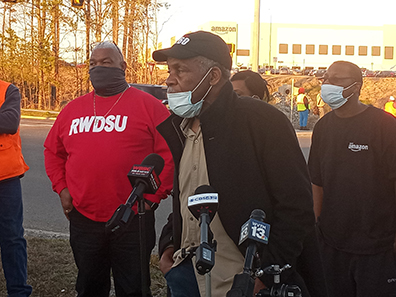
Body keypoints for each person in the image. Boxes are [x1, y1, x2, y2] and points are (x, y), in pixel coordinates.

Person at [152, 30, 317, 297]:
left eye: (180, 70)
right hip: (184, 273)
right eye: (170, 70)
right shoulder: (181, 126)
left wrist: (264, 275)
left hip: (239, 282)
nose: (169, 81)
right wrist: (168, 247)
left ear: (213, 76)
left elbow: (296, 208)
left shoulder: (262, 122)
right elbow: (184, 197)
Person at [44, 41, 174, 297]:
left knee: (134, 287)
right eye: (93, 64)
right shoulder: (72, 110)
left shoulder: (150, 107)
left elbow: (169, 155)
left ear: (122, 67)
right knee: (89, 286)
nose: (98, 68)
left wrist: (149, 199)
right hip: (84, 218)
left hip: (134, 217)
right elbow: (52, 151)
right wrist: (62, 188)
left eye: (106, 62)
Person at [308, 60, 396, 297]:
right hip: (332, 244)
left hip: (378, 247)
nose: (327, 84)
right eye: (326, 78)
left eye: (336, 80)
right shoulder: (324, 127)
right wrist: (318, 228)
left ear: (356, 87)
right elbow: (317, 181)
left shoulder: (385, 126)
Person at [0, 80, 32, 297]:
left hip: (6, 178)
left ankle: (19, 291)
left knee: (12, 237)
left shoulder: (7, 89)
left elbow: (10, 122)